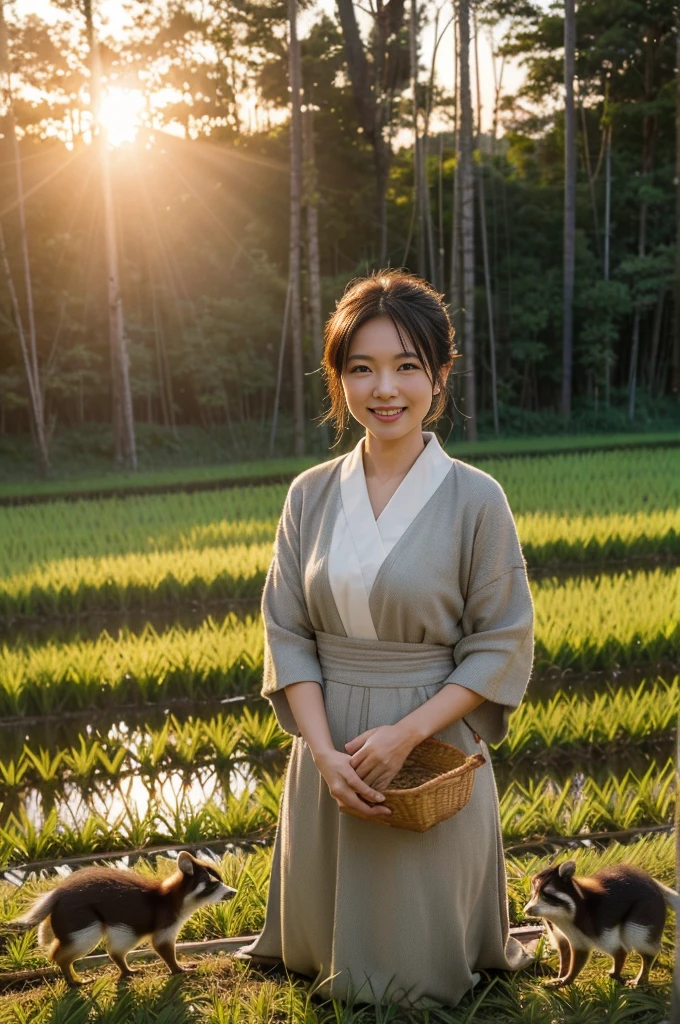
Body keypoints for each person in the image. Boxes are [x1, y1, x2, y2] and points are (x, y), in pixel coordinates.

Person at [238, 269, 536, 1009]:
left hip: (433, 740)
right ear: (338, 380)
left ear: (439, 375)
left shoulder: (476, 498)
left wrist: (406, 733)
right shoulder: (308, 493)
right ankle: (314, 938)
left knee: (415, 972)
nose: (386, 388)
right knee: (325, 968)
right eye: (361, 368)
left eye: (407, 366)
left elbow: (501, 642)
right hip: (329, 735)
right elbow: (287, 629)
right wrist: (322, 752)